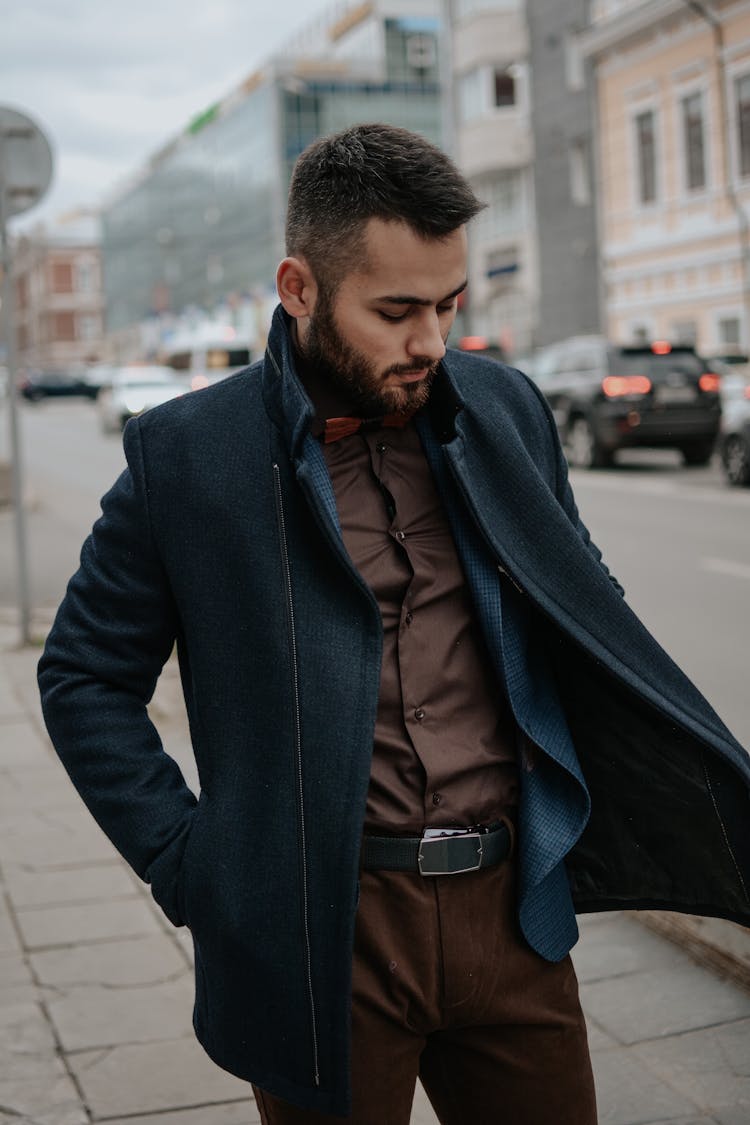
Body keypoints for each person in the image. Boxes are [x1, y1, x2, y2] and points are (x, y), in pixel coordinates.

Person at [38, 123, 750, 1125]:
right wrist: (195, 867)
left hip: (517, 920)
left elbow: (584, 611)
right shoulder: (187, 455)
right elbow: (81, 679)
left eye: (449, 305)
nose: (431, 340)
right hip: (321, 939)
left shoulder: (506, 409)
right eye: (398, 310)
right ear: (298, 288)